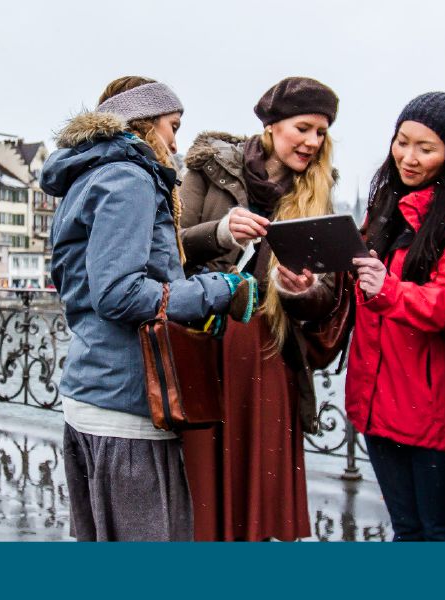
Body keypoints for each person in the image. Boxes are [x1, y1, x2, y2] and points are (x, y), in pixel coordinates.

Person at [40, 76, 250, 542]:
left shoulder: (89, 175)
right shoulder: (129, 177)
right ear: (145, 122)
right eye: (173, 125)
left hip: (91, 395)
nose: (176, 141)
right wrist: (220, 288)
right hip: (126, 409)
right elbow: (118, 293)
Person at [178, 76, 344, 541]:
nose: (313, 142)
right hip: (205, 339)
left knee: (257, 492)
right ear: (271, 125)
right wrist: (221, 233)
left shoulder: (318, 190)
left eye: (321, 133)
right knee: (203, 483)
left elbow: (326, 296)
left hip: (269, 348)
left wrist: (299, 289)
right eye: (304, 128)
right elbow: (169, 249)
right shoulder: (208, 169)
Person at [344, 92, 445, 541]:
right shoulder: (384, 206)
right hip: (378, 399)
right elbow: (360, 288)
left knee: (441, 532)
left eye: (426, 148)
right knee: (406, 530)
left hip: (430, 406)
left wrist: (388, 290)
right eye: (403, 142)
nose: (409, 157)